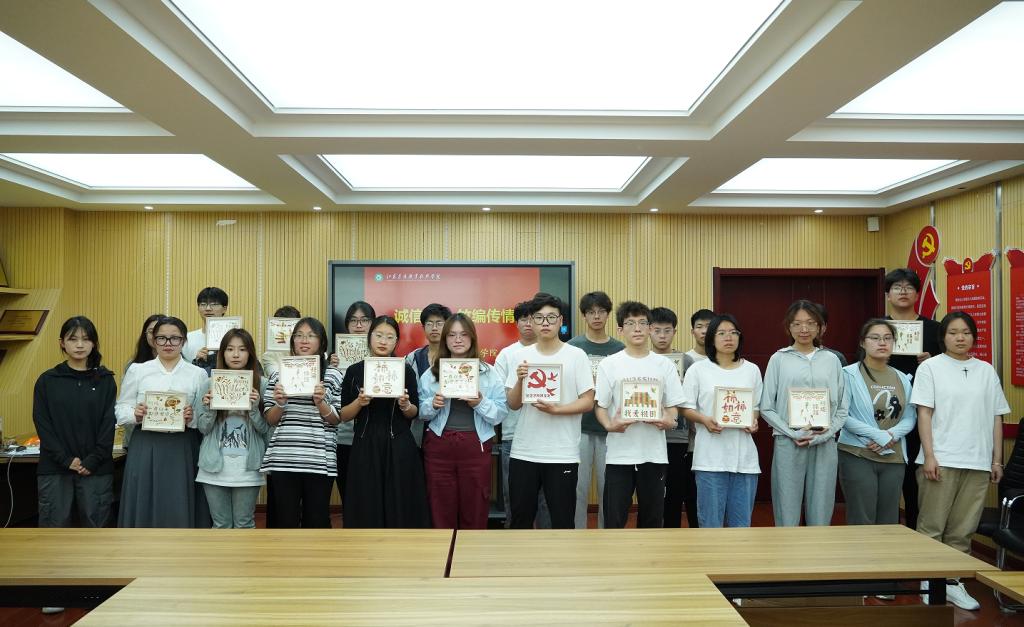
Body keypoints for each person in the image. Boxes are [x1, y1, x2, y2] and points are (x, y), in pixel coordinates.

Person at [913, 311, 1010, 611]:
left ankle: (953, 582)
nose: (960, 338)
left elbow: (996, 417)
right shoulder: (930, 367)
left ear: (974, 337)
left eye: (966, 333)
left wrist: (997, 460)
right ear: (943, 337)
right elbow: (924, 413)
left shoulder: (986, 371)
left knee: (963, 529)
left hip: (977, 462)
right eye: (953, 332)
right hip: (941, 459)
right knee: (932, 526)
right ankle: (930, 583)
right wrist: (929, 455)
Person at [506, 293, 595, 529]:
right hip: (524, 451)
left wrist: (558, 410)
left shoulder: (576, 355)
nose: (545, 323)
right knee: (520, 520)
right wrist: (520, 381)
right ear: (531, 321)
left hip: (562, 452)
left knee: (563, 521)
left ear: (560, 321)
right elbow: (513, 404)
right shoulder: (519, 356)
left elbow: (588, 401)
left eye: (551, 317)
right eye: (539, 317)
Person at [595, 302, 683, 528]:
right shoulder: (609, 364)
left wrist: (669, 420)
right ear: (620, 330)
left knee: (652, 519)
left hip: (654, 454)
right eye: (630, 323)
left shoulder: (664, 365)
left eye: (643, 323)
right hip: (619, 455)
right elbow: (600, 406)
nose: (637, 328)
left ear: (650, 328)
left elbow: (673, 406)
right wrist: (610, 425)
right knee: (614, 519)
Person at [759, 300, 847, 527]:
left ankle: (818, 549)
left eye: (810, 323)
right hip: (788, 441)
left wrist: (826, 434)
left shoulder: (832, 360)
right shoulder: (778, 359)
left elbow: (842, 407)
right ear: (788, 327)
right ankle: (787, 549)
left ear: (820, 327)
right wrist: (792, 433)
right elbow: (766, 406)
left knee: (821, 507)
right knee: (786, 507)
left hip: (824, 441)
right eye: (797, 324)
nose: (804, 329)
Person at [116, 316, 209, 528]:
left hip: (183, 445)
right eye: (162, 338)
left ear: (184, 341)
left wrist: (191, 417)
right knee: (144, 499)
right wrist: (135, 414)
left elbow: (204, 417)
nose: (168, 343)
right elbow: (121, 409)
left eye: (175, 338)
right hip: (145, 444)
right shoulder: (138, 370)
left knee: (179, 500)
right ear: (153, 340)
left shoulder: (197, 374)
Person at [418, 313, 508, 529]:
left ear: (472, 338)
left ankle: (471, 549)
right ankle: (443, 549)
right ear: (445, 339)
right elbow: (420, 412)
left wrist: (480, 402)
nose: (458, 340)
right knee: (440, 503)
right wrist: (433, 404)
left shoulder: (488, 372)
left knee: (475, 504)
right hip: (439, 445)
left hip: (475, 445)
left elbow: (500, 413)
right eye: (452, 335)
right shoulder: (432, 373)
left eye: (463, 334)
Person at [340, 316, 430, 528]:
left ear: (396, 341)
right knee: (367, 503)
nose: (383, 341)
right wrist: (360, 402)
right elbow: (344, 415)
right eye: (379, 335)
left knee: (399, 503)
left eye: (390, 337)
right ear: (369, 337)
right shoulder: (354, 371)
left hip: (399, 444)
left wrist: (405, 405)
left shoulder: (405, 370)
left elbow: (414, 412)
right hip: (365, 444)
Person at [33, 316, 116, 529]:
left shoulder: (105, 379)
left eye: (86, 339)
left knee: (96, 528)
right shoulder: (48, 380)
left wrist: (93, 460)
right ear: (62, 343)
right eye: (73, 339)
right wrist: (65, 459)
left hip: (96, 468)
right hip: (55, 467)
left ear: (94, 343)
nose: (80, 345)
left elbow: (108, 423)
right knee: (54, 528)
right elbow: (43, 424)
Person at [681, 314, 763, 528]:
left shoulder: (752, 370)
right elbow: (685, 407)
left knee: (741, 525)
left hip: (744, 460)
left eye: (734, 332)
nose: (729, 337)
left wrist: (753, 421)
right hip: (710, 459)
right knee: (710, 524)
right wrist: (704, 420)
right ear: (711, 338)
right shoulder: (698, 369)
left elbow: (755, 408)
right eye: (722, 333)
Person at [259, 317, 341, 528]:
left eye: (311, 336)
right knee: (285, 521)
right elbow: (270, 419)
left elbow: (337, 418)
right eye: (299, 335)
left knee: (317, 521)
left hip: (319, 460)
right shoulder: (279, 374)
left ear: (321, 342)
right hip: (284, 458)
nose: (304, 340)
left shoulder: (333, 374)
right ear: (292, 341)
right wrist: (280, 403)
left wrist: (321, 403)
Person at [837, 319, 916, 525]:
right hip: (857, 454)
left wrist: (891, 436)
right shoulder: (847, 374)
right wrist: (878, 436)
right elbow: (841, 415)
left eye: (887, 338)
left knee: (889, 520)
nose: (882, 342)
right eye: (875, 338)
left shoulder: (902, 377)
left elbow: (910, 416)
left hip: (894, 456)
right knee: (861, 518)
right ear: (862, 342)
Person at [884, 268, 942, 531]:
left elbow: (948, 369)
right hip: (885, 416)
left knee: (916, 486)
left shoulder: (935, 329)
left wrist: (933, 361)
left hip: (923, 417)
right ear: (888, 294)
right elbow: (860, 367)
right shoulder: (877, 328)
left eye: (909, 287)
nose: (903, 291)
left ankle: (917, 539)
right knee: (886, 485)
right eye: (897, 287)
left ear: (917, 294)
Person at [195, 329, 270, 528]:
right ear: (222, 353)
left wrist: (254, 409)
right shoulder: (208, 384)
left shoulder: (262, 384)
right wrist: (210, 409)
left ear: (250, 353)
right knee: (220, 524)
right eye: (230, 349)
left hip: (248, 467)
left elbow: (266, 429)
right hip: (213, 466)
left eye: (242, 349)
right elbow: (202, 428)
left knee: (244, 523)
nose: (236, 355)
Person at [567, 291, 624, 529]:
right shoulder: (573, 347)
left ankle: (605, 536)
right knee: (577, 488)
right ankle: (576, 535)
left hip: (610, 429)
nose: (597, 316)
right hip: (578, 427)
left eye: (601, 311)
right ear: (584, 316)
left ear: (608, 314)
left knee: (607, 489)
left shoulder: (620, 348)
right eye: (591, 312)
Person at [493, 301, 551, 528]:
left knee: (546, 500)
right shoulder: (507, 355)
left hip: (548, 435)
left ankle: (547, 541)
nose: (528, 323)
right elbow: (500, 395)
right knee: (514, 498)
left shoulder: (553, 352)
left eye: (532, 318)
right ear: (516, 323)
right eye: (523, 319)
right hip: (513, 435)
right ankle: (514, 542)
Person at [328, 301, 376, 523]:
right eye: (354, 321)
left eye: (364, 320)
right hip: (342, 437)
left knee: (369, 495)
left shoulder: (383, 356)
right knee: (348, 494)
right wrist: (331, 367)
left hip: (370, 437)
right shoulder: (334, 359)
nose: (359, 325)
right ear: (346, 325)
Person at [649, 306, 695, 528]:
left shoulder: (686, 361)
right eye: (657, 330)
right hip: (647, 433)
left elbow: (692, 399)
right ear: (649, 330)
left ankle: (673, 535)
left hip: (677, 435)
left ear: (675, 331)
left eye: (667, 331)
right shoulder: (642, 359)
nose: (662, 336)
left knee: (676, 492)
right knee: (650, 493)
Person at [405, 303, 452, 448]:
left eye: (439, 323)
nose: (434, 328)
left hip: (449, 428)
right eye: (429, 324)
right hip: (419, 428)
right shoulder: (413, 357)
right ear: (423, 328)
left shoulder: (455, 358)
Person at [122, 313, 163, 450]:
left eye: (160, 331)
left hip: (172, 436)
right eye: (151, 331)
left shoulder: (184, 365)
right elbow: (125, 403)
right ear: (145, 335)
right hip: (138, 436)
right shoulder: (133, 366)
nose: (156, 335)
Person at [182, 286, 230, 368]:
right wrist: (197, 361)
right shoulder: (188, 338)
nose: (208, 308)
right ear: (198, 308)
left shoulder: (235, 338)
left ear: (224, 309)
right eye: (203, 304)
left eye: (214, 304)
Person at [260, 305, 300, 378]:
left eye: (291, 327)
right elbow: (277, 378)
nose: (287, 332)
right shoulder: (269, 356)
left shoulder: (307, 349)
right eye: (282, 327)